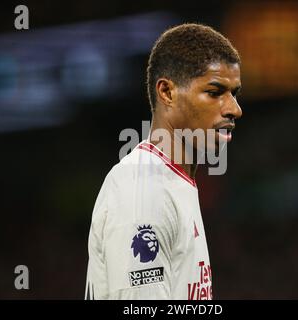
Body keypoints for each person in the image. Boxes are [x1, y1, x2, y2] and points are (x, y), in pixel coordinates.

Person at [85, 23, 242, 300]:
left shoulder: (173, 182)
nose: (234, 109)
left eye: (234, 94)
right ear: (167, 92)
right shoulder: (144, 191)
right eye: (215, 92)